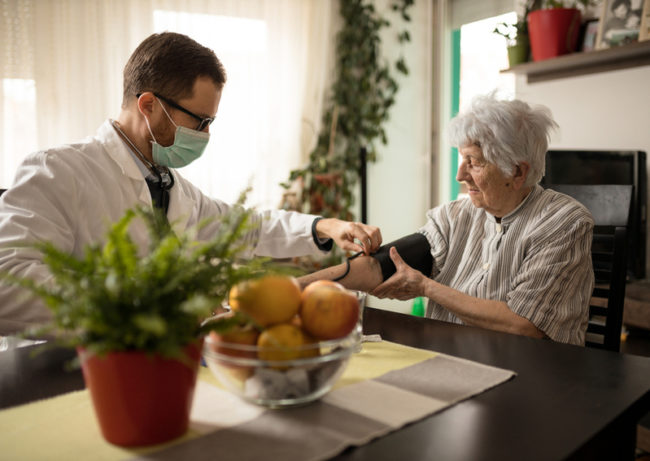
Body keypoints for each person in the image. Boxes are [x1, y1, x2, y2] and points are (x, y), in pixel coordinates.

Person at [0, 32, 381, 335]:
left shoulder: (168, 185)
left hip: (163, 360)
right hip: (70, 369)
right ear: (148, 104)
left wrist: (324, 226)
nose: (205, 135)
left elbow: (244, 228)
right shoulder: (58, 171)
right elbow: (9, 282)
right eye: (200, 121)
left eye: (211, 122)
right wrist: (146, 303)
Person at [300, 95, 594, 346]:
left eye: (474, 162)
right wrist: (295, 288)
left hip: (535, 379)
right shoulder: (454, 216)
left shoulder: (564, 223)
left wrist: (427, 288)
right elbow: (379, 266)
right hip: (451, 362)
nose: (460, 175)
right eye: (461, 159)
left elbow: (523, 324)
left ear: (517, 172)